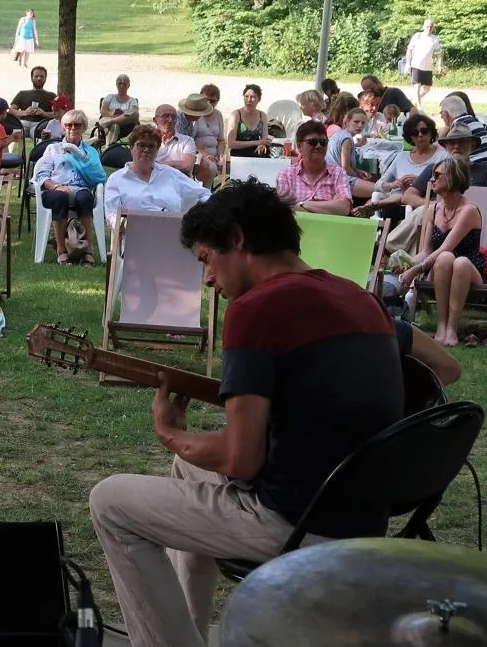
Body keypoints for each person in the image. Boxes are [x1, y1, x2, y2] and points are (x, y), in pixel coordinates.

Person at [90, 180, 403, 647]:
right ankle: (190, 632)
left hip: (299, 524)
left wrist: (170, 432)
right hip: (361, 516)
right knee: (188, 467)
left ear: (237, 240)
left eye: (206, 259)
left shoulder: (255, 309)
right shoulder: (360, 298)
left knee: (110, 502)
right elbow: (446, 367)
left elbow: (241, 460)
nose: (207, 278)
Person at [397, 156, 487, 347]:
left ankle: (451, 327)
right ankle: (441, 325)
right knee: (446, 258)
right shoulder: (433, 209)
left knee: (457, 260)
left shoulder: (468, 210)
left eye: (437, 175)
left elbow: (445, 247)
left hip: (469, 271)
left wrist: (416, 270)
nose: (432, 179)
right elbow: (426, 251)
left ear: (453, 178)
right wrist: (407, 265)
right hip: (441, 268)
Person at [384, 123, 487, 254]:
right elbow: (408, 196)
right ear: (446, 147)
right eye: (452, 142)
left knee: (424, 212)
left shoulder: (486, 171)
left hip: (471, 221)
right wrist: (438, 207)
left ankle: (386, 247)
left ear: (472, 145)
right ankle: (398, 254)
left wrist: (448, 209)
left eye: (462, 142)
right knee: (425, 212)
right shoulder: (435, 168)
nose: (456, 146)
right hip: (439, 223)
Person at [33, 109, 105, 266]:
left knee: (86, 198)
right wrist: (57, 186)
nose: (72, 128)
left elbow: (99, 177)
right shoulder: (53, 149)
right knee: (60, 197)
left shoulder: (90, 152)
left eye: (77, 125)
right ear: (63, 127)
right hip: (54, 190)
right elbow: (42, 176)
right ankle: (61, 250)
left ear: (83, 127)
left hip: (80, 188)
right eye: (68, 125)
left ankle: (88, 250)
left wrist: (79, 156)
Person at [104, 125, 210, 221]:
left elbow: (204, 194)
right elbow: (112, 216)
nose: (146, 150)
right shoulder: (117, 179)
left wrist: (196, 220)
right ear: (131, 147)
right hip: (134, 233)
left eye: (151, 146)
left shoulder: (171, 174)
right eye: (141, 145)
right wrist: (128, 225)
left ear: (157, 150)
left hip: (171, 232)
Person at [366, 112, 445, 223]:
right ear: (410, 137)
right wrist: (394, 184)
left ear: (431, 133)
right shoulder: (401, 157)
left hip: (422, 207)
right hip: (394, 206)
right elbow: (378, 185)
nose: (420, 135)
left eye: (424, 131)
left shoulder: (442, 157)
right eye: (415, 133)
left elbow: (445, 186)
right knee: (390, 211)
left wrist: (420, 183)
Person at [275, 120, 351, 215]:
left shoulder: (338, 173)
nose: (319, 146)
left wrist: (303, 204)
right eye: (312, 142)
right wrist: (329, 208)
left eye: (323, 142)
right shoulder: (286, 175)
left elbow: (344, 208)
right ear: (299, 146)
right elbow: (283, 209)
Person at [327, 108, 377, 199]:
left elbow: (340, 163)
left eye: (363, 123)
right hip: (338, 180)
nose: (360, 125)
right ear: (347, 122)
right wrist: (358, 177)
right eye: (356, 122)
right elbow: (345, 168)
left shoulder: (339, 134)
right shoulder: (347, 139)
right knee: (380, 192)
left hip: (331, 176)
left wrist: (357, 171)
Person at [179, 90, 221, 186]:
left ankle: (204, 191)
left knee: (208, 165)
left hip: (190, 153)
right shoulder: (178, 121)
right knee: (206, 166)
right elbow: (180, 145)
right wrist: (201, 154)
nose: (201, 116)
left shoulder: (189, 122)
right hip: (178, 154)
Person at [437, 93, 487, 164]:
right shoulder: (473, 120)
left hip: (475, 164)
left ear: (446, 114)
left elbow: (439, 148)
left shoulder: (459, 126)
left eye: (441, 113)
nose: (441, 116)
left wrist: (446, 126)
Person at [405, 19, 442, 108]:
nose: (429, 29)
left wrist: (439, 65)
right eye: (427, 27)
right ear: (423, 27)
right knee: (417, 86)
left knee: (427, 88)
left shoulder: (434, 39)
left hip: (427, 67)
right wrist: (408, 63)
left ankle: (414, 100)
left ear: (433, 28)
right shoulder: (417, 36)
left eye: (430, 27)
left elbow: (439, 54)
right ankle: (419, 106)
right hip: (416, 65)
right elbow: (409, 50)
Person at [153, 104, 197, 179]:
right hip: (154, 180)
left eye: (173, 117)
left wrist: (155, 164)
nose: (170, 120)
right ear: (155, 120)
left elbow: (186, 166)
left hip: (179, 182)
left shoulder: (187, 141)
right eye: (165, 116)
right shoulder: (147, 140)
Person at [227, 84, 271, 158]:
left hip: (258, 153)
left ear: (259, 99)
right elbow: (231, 143)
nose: (249, 100)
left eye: (253, 97)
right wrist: (257, 142)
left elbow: (264, 139)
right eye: (246, 96)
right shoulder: (236, 114)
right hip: (239, 153)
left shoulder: (262, 115)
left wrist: (262, 145)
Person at [98, 74, 139, 146]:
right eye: (119, 83)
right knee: (115, 126)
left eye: (124, 84)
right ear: (116, 85)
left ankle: (111, 122)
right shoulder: (109, 97)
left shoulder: (132, 101)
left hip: (125, 126)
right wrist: (113, 113)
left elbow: (133, 114)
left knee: (135, 113)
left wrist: (118, 117)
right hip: (108, 121)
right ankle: (110, 149)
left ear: (128, 85)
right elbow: (103, 111)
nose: (122, 86)